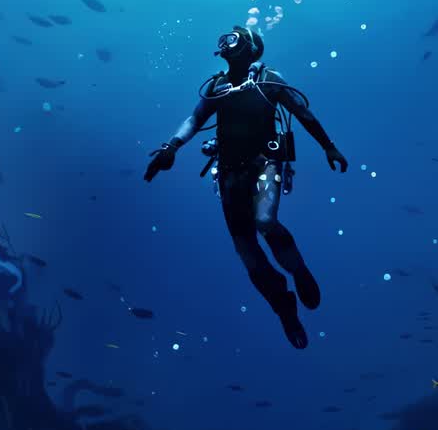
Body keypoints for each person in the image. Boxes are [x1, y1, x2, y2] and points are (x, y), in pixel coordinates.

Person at [144, 26, 348, 349]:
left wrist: (329, 146)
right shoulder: (217, 86)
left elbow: (303, 113)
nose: (226, 42)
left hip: (265, 163)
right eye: (225, 37)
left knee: (265, 220)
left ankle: (297, 268)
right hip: (228, 173)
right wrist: (172, 147)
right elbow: (194, 119)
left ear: (251, 49)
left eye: (235, 38)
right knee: (246, 250)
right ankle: (284, 307)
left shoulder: (270, 80)